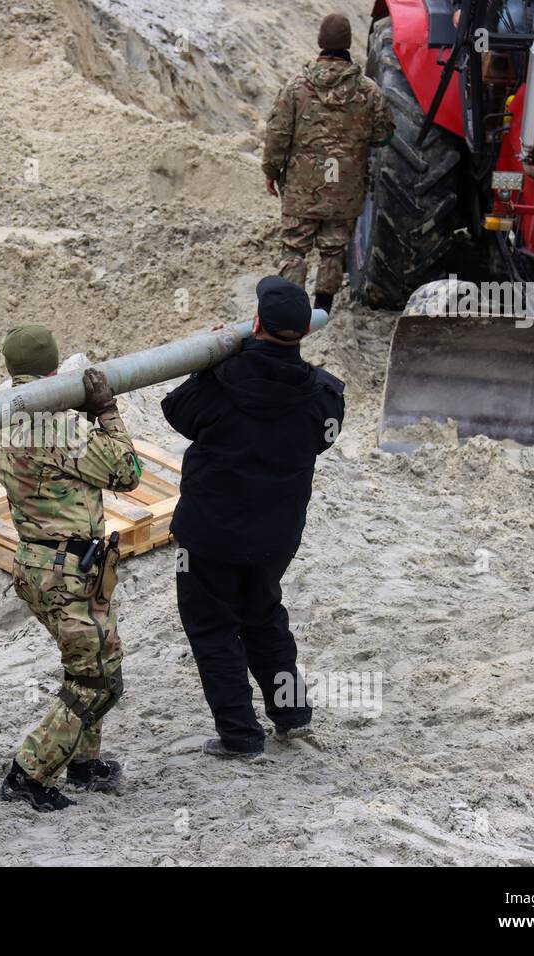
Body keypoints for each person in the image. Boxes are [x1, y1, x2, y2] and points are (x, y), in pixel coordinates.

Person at [161, 277, 344, 760]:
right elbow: (325, 434)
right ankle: (291, 716)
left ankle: (240, 736)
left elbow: (175, 412)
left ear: (256, 323)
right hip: (275, 538)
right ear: (305, 331)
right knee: (263, 618)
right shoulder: (323, 398)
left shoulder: (220, 384)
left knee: (212, 628)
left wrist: (217, 360)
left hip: (209, 536)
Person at [0, 326, 142, 811]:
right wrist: (104, 412)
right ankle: (29, 773)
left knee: (90, 665)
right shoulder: (66, 428)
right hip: (70, 572)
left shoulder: (1, 420)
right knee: (99, 681)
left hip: (39, 564)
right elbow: (127, 474)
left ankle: (80, 761)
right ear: (55, 369)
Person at [262, 12, 394, 315]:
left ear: (321, 43)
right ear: (348, 44)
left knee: (295, 248)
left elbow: (278, 135)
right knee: (334, 249)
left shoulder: (296, 89)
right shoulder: (370, 91)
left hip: (301, 188)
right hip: (345, 189)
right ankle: (323, 309)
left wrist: (271, 171)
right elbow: (385, 136)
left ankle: (291, 310)